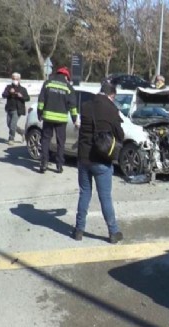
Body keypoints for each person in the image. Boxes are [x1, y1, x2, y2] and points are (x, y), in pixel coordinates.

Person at [72, 82, 125, 243]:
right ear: (112, 95)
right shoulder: (111, 109)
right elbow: (120, 135)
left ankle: (79, 231)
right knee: (105, 197)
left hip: (83, 157)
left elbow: (82, 129)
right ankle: (113, 232)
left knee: (84, 193)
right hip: (101, 159)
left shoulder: (86, 105)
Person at [37, 66, 78, 174]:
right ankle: (59, 165)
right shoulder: (68, 87)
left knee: (45, 140)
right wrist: (74, 119)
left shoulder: (48, 83)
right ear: (66, 77)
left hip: (48, 117)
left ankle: (44, 163)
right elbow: (73, 106)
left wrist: (39, 113)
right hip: (61, 120)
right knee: (61, 143)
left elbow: (41, 100)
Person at [2, 72, 30, 144]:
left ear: (19, 79)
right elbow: (3, 95)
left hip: (18, 109)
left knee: (12, 124)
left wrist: (21, 96)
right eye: (13, 78)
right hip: (9, 108)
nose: (15, 80)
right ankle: (22, 132)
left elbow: (27, 98)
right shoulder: (8, 87)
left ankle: (11, 138)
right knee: (9, 124)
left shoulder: (23, 89)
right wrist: (9, 92)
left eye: (16, 79)